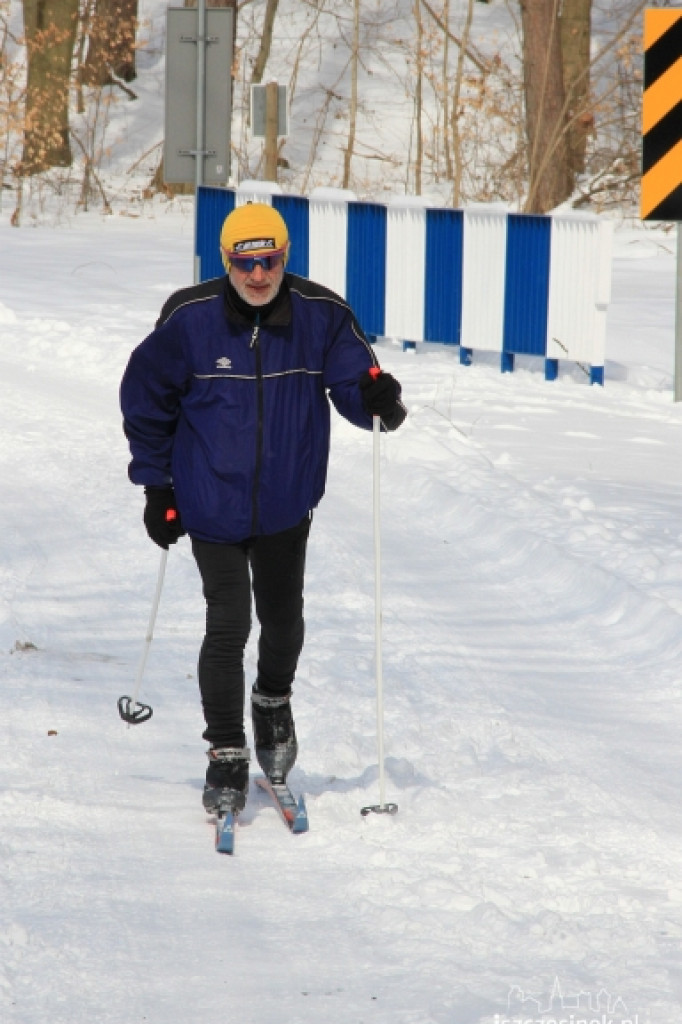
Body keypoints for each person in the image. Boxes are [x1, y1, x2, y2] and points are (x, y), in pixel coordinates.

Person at [120, 202, 406, 817]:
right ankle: (225, 751)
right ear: (226, 261)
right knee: (228, 625)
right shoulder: (188, 319)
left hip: (284, 501)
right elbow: (147, 401)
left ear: (285, 257)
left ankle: (272, 703)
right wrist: (158, 488)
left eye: (269, 261)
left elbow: (356, 386)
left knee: (283, 621)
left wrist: (381, 400)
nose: (258, 276)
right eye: (245, 263)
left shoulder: (321, 315)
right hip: (209, 501)